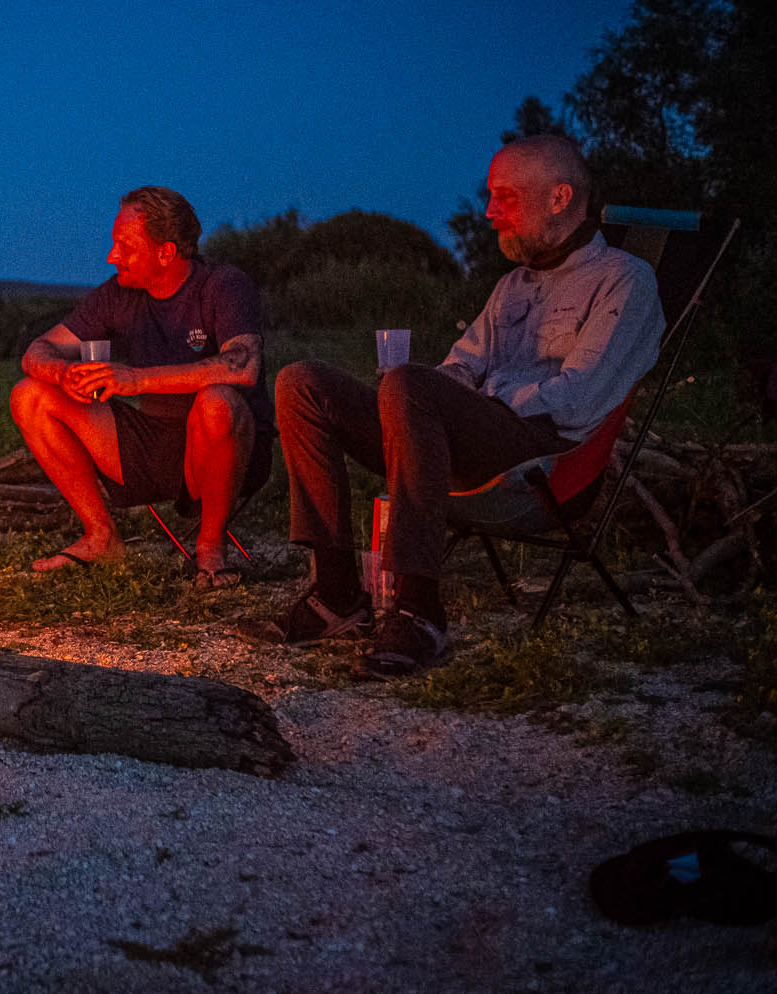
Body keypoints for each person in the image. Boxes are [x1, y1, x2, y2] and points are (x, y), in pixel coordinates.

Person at [272, 135, 664, 674]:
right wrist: (420, 390)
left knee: (410, 386)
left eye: (505, 197)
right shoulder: (513, 286)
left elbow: (579, 398)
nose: (489, 211)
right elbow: (461, 365)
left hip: (542, 462)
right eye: (490, 196)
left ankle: (419, 612)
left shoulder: (625, 280)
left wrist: (470, 393)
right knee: (302, 382)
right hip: (468, 442)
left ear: (559, 198)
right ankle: (338, 595)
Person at [9, 186, 273, 586]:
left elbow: (244, 365)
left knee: (218, 401)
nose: (111, 257)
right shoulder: (119, 293)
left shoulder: (222, 285)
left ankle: (211, 549)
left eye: (124, 247)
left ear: (165, 252)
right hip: (153, 446)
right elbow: (37, 350)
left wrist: (135, 379)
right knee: (29, 394)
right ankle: (101, 536)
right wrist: (63, 374)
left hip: (222, 449)